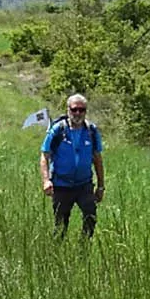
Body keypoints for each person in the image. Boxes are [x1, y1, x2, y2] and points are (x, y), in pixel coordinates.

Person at [39, 94, 106, 238]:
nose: (78, 113)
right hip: (61, 185)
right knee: (61, 225)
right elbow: (45, 155)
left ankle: (84, 249)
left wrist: (100, 186)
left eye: (81, 110)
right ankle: (57, 254)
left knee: (90, 216)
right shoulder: (58, 130)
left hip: (84, 185)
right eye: (74, 109)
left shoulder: (91, 131)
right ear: (68, 110)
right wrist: (46, 180)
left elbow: (98, 159)